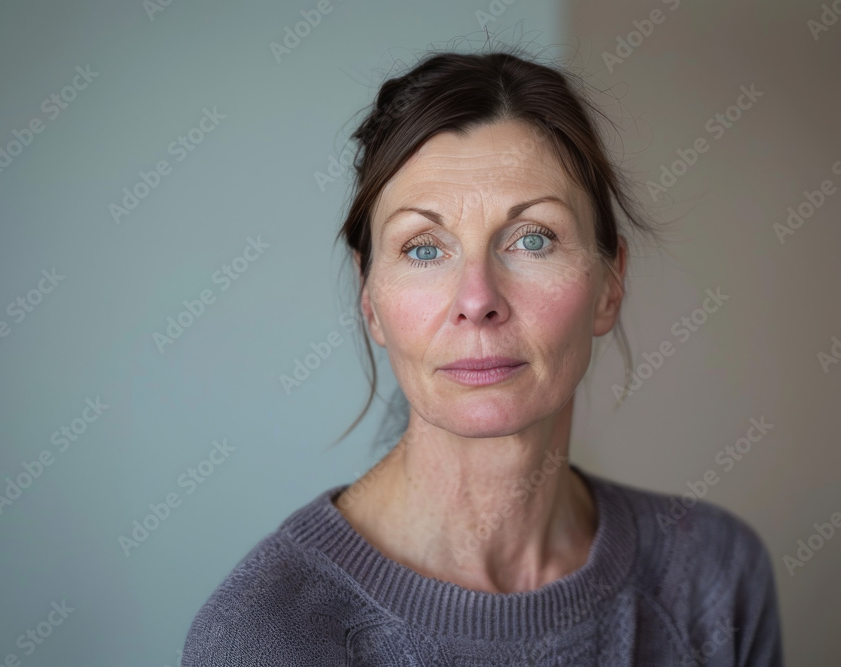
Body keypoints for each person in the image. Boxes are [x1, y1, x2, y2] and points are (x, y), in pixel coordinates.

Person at [182, 47, 784, 666]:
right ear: (370, 299)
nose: (477, 300)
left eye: (533, 239)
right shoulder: (264, 638)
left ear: (610, 284)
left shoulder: (715, 575)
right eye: (423, 248)